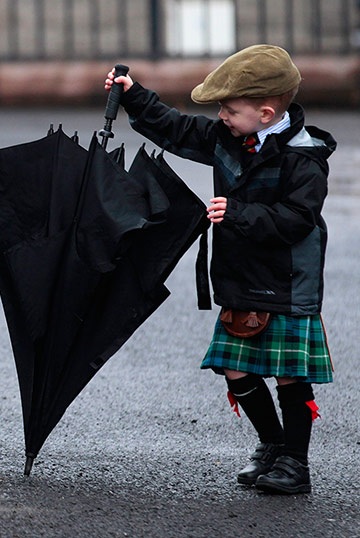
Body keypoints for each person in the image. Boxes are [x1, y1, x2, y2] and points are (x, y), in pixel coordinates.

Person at [104, 44, 336, 494]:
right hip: (241, 279)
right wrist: (134, 95)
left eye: (229, 109)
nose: (222, 117)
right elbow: (176, 127)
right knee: (235, 368)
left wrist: (238, 214)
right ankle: (271, 444)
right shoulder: (231, 137)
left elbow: (296, 220)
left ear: (266, 112)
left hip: (288, 282)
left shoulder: (304, 159)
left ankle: (296, 463)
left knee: (290, 374)